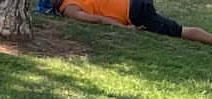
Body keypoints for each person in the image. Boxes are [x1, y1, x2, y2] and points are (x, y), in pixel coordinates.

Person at [44, 0, 212, 43]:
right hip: (134, 5)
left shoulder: (69, 9)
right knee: (166, 24)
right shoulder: (69, 6)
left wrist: (124, 28)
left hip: (135, 10)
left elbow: (98, 19)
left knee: (179, 31)